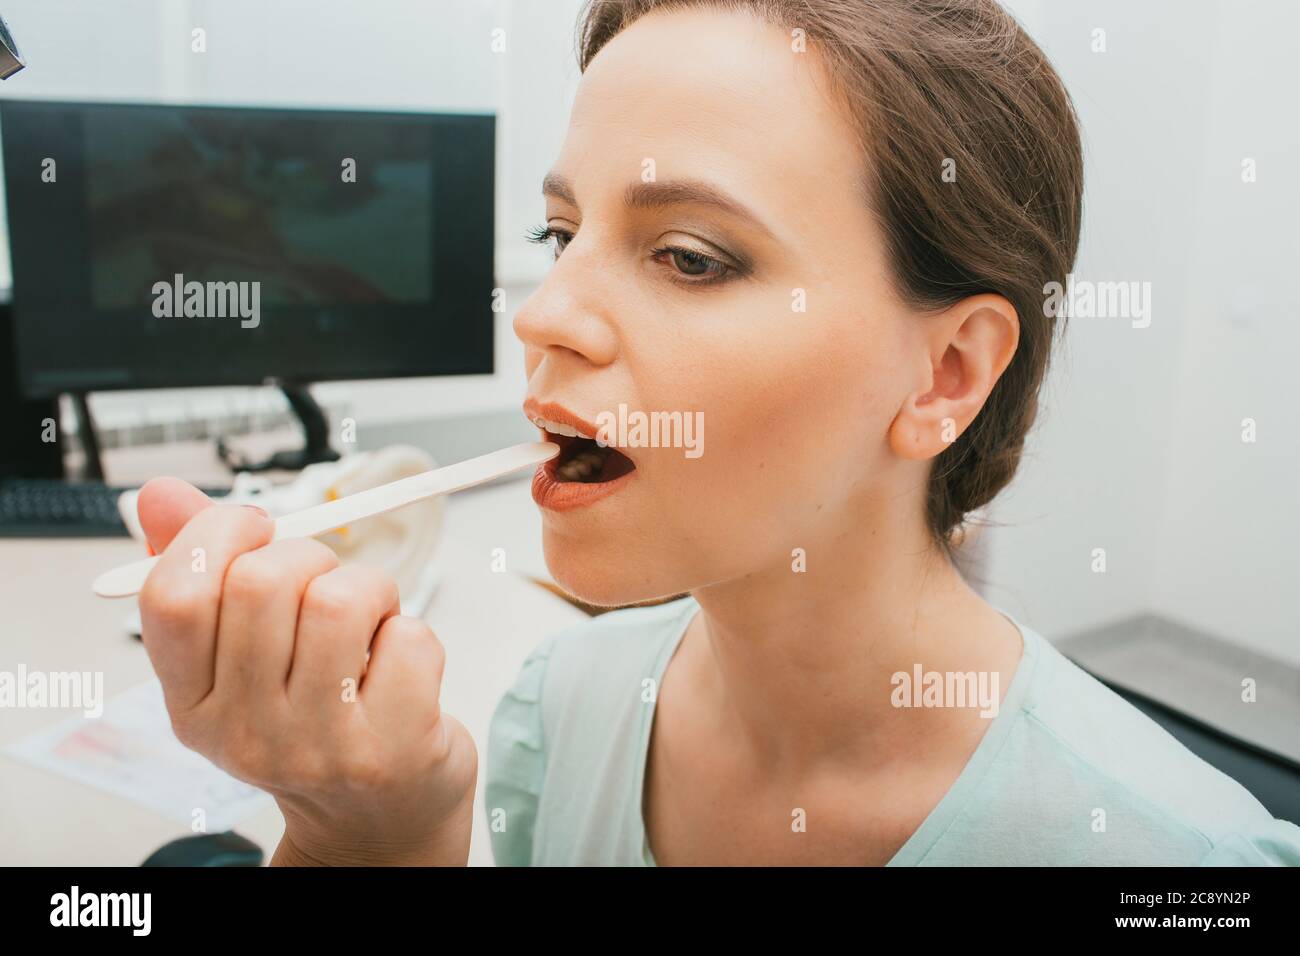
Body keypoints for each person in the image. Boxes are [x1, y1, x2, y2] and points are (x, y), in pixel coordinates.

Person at [136, 0, 1300, 866]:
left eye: (689, 256)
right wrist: (377, 837)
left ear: (944, 374)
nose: (542, 316)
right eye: (558, 235)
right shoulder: (562, 708)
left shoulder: (1171, 862)